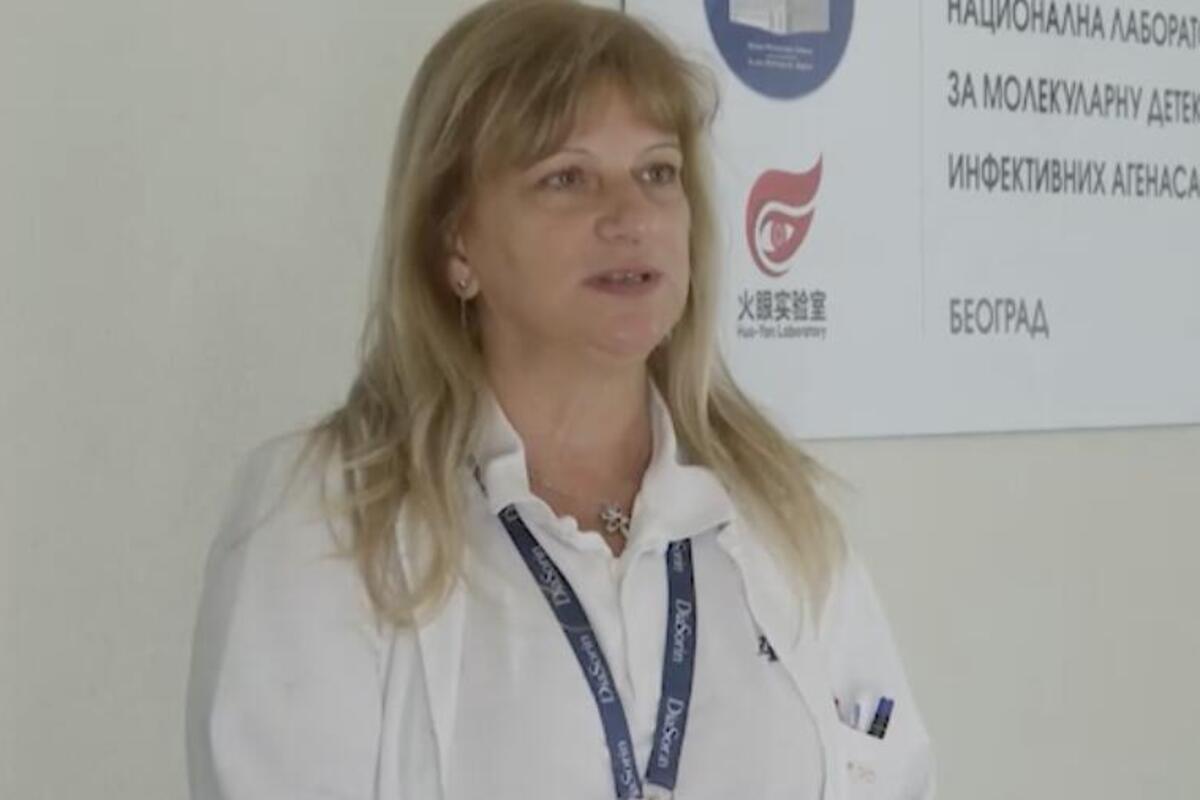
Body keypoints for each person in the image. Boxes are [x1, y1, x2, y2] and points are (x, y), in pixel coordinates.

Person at [184, 1, 936, 798]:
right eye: (566, 178)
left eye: (658, 172)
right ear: (456, 242)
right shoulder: (327, 514)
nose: (631, 216)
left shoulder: (778, 512)